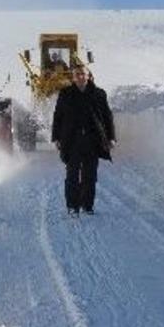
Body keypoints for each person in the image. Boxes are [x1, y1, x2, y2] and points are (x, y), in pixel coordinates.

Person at [51, 61, 115, 215]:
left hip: (92, 141)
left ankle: (87, 205)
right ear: (73, 77)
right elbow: (58, 116)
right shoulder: (65, 94)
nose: (80, 77)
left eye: (83, 74)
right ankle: (72, 206)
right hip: (72, 141)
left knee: (90, 176)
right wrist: (56, 137)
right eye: (77, 75)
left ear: (89, 76)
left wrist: (111, 137)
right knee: (72, 175)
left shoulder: (99, 94)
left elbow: (107, 117)